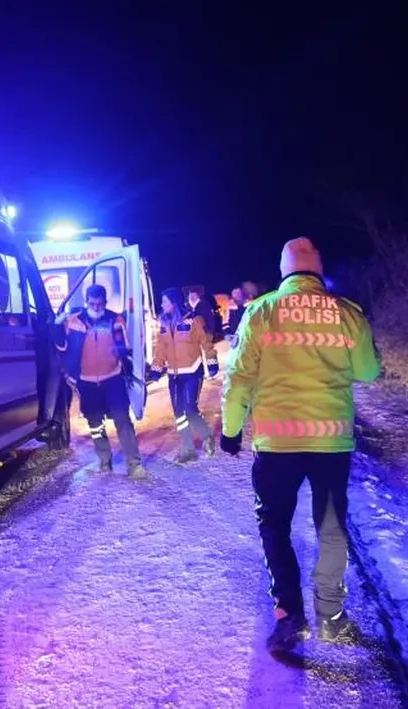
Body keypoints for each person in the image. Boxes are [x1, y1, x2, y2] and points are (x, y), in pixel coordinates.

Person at [220, 238, 380, 653]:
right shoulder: (348, 313)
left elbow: (238, 378)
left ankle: (289, 614)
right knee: (330, 528)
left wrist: (232, 429)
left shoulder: (261, 311)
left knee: (275, 526)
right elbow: (367, 371)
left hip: (277, 445)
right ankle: (331, 616)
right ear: (317, 269)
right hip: (331, 442)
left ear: (284, 270)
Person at [55, 284, 147, 478]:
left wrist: (128, 368)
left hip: (113, 379)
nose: (96, 307)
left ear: (105, 302)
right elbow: (62, 347)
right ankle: (104, 459)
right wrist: (56, 326)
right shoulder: (74, 322)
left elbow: (126, 349)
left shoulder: (115, 320)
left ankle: (134, 463)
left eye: (99, 303)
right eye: (92, 303)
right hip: (86, 382)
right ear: (86, 301)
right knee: (95, 423)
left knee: (122, 420)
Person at [149, 288, 219, 462]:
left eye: (165, 301)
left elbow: (206, 342)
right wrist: (156, 368)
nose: (162, 305)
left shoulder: (194, 320)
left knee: (190, 408)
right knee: (179, 413)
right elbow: (161, 350)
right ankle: (187, 449)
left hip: (192, 373)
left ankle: (206, 436)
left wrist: (211, 363)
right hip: (174, 376)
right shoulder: (164, 324)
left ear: (173, 303)